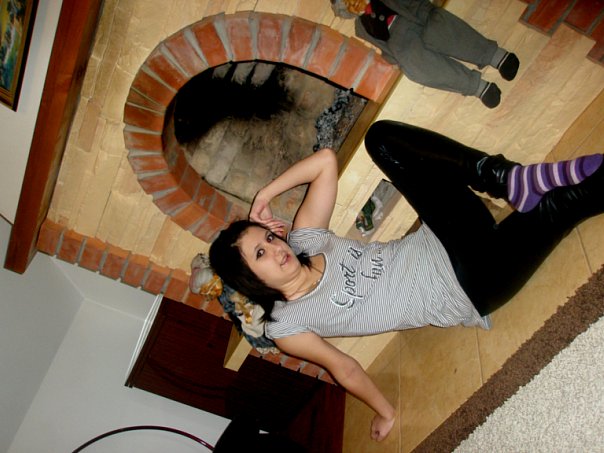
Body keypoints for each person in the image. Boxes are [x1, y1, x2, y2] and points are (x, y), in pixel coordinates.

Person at [209, 120, 604, 441]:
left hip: (451, 229)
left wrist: (265, 194)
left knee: (381, 139)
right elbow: (343, 368)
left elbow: (326, 161)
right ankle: (531, 187)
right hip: (472, 284)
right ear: (249, 278)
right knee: (561, 205)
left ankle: (505, 178)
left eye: (268, 238)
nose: (275, 248)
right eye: (260, 254)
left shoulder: (306, 238)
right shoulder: (286, 325)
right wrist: (385, 412)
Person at [330, 0, 520, 108]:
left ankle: (495, 56)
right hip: (400, 44)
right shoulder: (360, 27)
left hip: (416, 17)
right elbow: (383, 46)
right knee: (420, 67)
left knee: (445, 32)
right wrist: (395, 59)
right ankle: (477, 87)